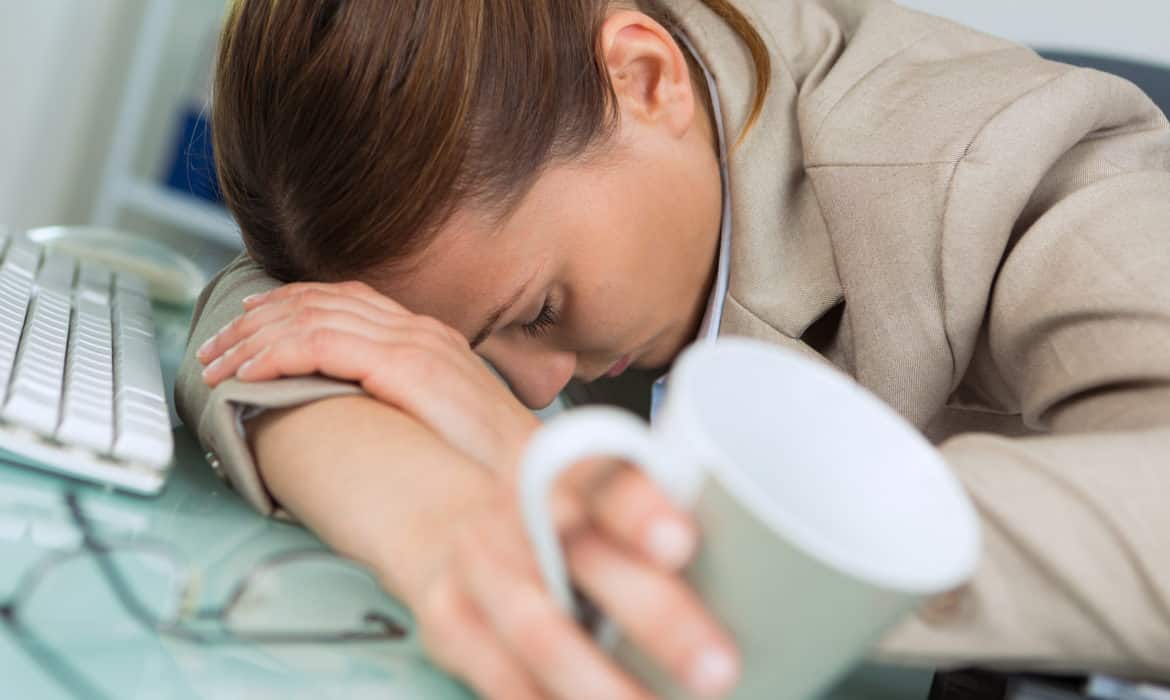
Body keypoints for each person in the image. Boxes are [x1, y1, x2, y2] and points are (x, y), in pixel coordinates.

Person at [178, 0, 1170, 698]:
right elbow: (263, 315)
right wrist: (427, 522)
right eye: (466, 348)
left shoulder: (1012, 156)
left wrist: (638, 505)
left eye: (539, 309)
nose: (531, 383)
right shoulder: (588, 156)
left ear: (644, 79)